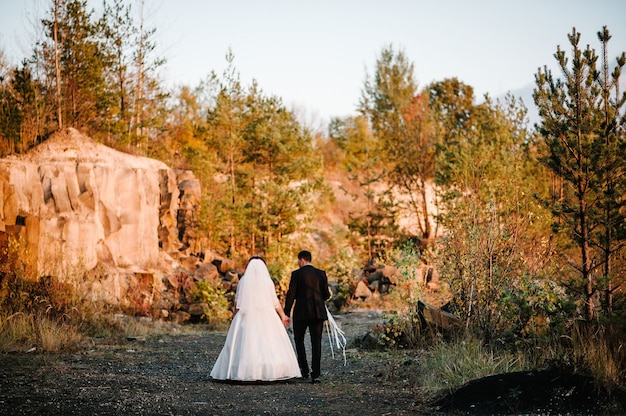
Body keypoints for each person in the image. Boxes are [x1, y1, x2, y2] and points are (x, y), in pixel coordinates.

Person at [210, 256, 301, 382]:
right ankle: (271, 369)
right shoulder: (267, 282)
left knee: (248, 342)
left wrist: (235, 316)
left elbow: (238, 302)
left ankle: (245, 369)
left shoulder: (244, 281)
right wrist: (283, 315)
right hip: (267, 315)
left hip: (247, 315)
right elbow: (275, 302)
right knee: (268, 343)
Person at [284, 250, 331, 384]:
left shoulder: (296, 274)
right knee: (316, 342)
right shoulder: (321, 273)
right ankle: (316, 375)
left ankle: (304, 370)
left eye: (298, 261)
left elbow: (291, 295)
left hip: (301, 313)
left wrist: (286, 312)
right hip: (317, 312)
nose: (298, 263)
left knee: (299, 340)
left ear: (302, 260)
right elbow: (326, 295)